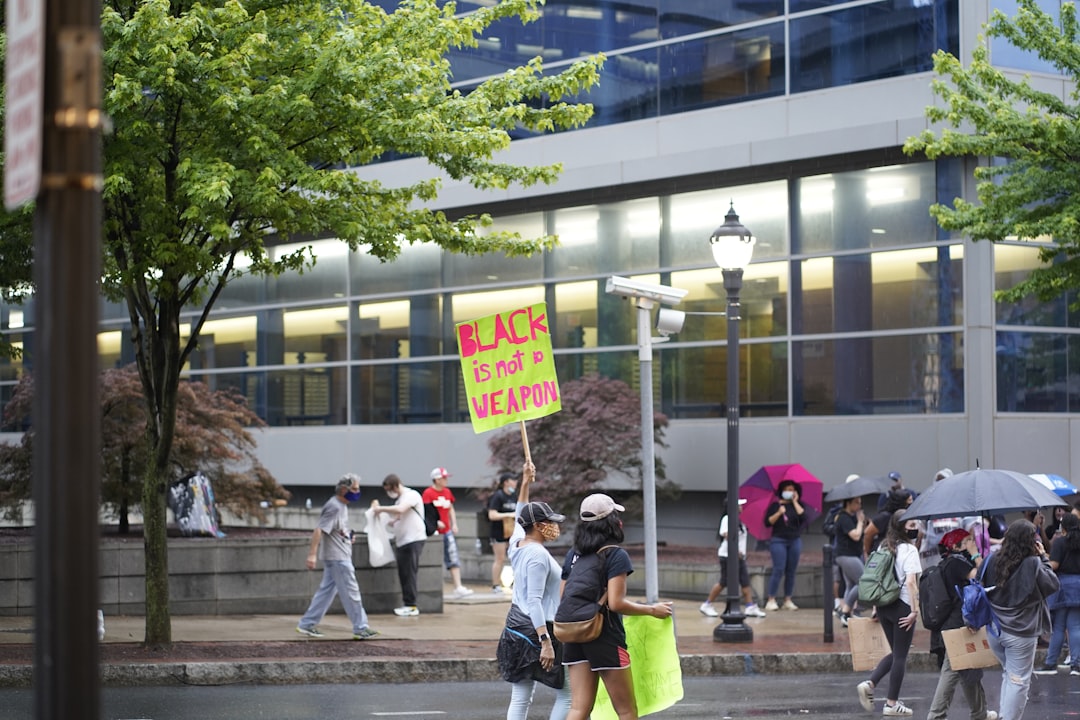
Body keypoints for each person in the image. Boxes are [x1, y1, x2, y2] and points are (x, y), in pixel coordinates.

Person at [559, 493, 674, 720]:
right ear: (612, 522)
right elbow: (616, 602)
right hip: (604, 636)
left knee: (579, 708)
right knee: (626, 710)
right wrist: (653, 609)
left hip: (572, 633)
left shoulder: (573, 554)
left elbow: (563, 596)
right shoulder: (615, 554)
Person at [496, 461, 571, 720]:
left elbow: (520, 512)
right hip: (537, 628)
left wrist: (525, 481)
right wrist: (546, 642)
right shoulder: (537, 555)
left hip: (515, 624)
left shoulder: (516, 543)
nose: (554, 526)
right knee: (567, 695)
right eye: (550, 521)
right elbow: (535, 600)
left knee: (521, 698)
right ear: (538, 525)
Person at [982, 519, 1059, 720]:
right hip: (1020, 631)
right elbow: (1052, 584)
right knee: (1019, 680)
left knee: (1009, 674)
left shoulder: (991, 559)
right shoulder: (1033, 563)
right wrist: (1043, 556)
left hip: (994, 628)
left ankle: (1003, 715)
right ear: (1030, 541)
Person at [855, 509, 922, 717]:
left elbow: (878, 578)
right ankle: (891, 703)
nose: (916, 529)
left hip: (884, 606)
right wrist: (915, 610)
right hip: (902, 605)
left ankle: (870, 683)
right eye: (912, 526)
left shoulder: (884, 546)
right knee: (901, 656)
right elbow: (911, 582)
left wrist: (876, 607)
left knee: (895, 652)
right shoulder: (910, 551)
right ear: (902, 527)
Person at [296, 473, 379, 640]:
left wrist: (348, 536)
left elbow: (336, 529)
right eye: (354, 489)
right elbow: (319, 529)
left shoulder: (342, 506)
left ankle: (307, 623)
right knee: (351, 592)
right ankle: (360, 627)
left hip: (338, 555)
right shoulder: (334, 506)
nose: (357, 492)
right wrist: (312, 555)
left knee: (325, 593)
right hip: (338, 558)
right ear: (343, 489)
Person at [926, 529, 998, 720]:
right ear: (956, 546)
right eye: (967, 541)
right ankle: (935, 715)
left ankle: (980, 713)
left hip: (956, 623)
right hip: (959, 624)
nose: (970, 543)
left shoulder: (948, 563)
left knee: (969, 668)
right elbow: (983, 578)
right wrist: (975, 553)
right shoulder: (957, 562)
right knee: (953, 669)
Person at [371, 473, 427, 617]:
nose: (390, 493)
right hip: (402, 540)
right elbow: (396, 519)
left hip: (413, 539)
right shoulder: (399, 500)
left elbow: (401, 510)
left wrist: (381, 509)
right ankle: (407, 603)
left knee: (409, 572)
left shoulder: (411, 495)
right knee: (404, 573)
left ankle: (411, 605)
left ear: (396, 485)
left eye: (390, 489)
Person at [699, 498, 766, 619]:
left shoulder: (739, 520)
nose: (741, 507)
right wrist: (735, 550)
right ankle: (707, 604)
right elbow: (725, 534)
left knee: (745, 581)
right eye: (739, 505)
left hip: (739, 557)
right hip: (728, 556)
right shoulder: (727, 518)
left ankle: (750, 606)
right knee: (724, 581)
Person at [1034, 512, 1080, 675]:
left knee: (1059, 626)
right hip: (1078, 587)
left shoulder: (1060, 542)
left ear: (1064, 528)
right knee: (1075, 627)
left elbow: (1054, 564)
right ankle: (1076, 665)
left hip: (1062, 586)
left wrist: (1042, 556)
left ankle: (1050, 664)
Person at [422, 466, 474, 599]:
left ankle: (458, 586)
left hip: (447, 530)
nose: (446, 480)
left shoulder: (447, 492)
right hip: (434, 533)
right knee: (432, 559)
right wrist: (434, 523)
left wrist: (454, 524)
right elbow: (426, 512)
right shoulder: (428, 493)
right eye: (443, 478)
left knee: (453, 556)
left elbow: (450, 508)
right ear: (437, 479)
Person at [763, 479, 807, 611]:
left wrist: (794, 501)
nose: (790, 492)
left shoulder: (798, 505)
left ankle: (788, 599)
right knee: (779, 568)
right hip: (778, 540)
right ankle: (771, 599)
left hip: (794, 540)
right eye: (787, 489)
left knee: (791, 570)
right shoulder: (775, 506)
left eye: (792, 490)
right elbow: (767, 522)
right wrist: (779, 512)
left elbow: (803, 517)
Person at [834, 495, 866, 627]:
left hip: (850, 554)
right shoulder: (844, 517)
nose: (859, 506)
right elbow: (856, 535)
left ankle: (847, 613)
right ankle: (845, 612)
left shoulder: (848, 517)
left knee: (851, 585)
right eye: (856, 503)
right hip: (847, 555)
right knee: (864, 582)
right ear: (848, 503)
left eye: (860, 502)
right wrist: (860, 521)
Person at [920, 469, 961, 571]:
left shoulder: (959, 505)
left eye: (944, 480)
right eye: (938, 480)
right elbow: (921, 532)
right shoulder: (927, 506)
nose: (941, 484)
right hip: (932, 557)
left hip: (955, 557)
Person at [488, 471, 519, 594]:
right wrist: (508, 515)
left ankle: (515, 583)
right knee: (499, 558)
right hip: (498, 532)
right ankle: (496, 585)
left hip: (511, 532)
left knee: (515, 557)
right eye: (513, 480)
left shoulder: (514, 496)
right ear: (506, 482)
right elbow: (492, 514)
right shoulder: (498, 496)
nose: (516, 483)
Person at [864, 489, 912, 557]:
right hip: (882, 553)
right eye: (909, 502)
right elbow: (868, 533)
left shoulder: (907, 517)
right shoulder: (885, 517)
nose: (911, 504)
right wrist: (867, 552)